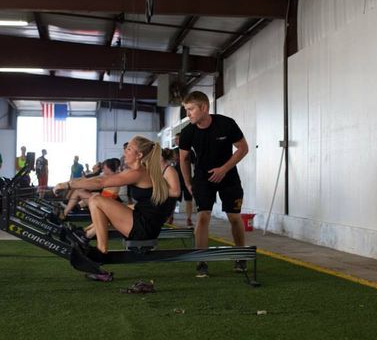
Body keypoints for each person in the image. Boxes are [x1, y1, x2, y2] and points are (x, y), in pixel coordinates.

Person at [53, 136, 180, 281]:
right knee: (98, 202)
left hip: (144, 228)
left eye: (129, 149)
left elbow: (101, 182)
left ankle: (101, 252)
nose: (125, 151)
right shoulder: (138, 171)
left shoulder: (139, 172)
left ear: (139, 155)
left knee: (96, 199)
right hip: (143, 221)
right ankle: (84, 236)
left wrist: (68, 184)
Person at [179, 91, 249, 277]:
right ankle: (201, 261)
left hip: (228, 176)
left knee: (234, 218)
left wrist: (224, 169)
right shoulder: (188, 132)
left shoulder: (226, 124)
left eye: (191, 109)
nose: (188, 114)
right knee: (203, 218)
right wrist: (187, 182)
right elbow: (183, 159)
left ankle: (240, 258)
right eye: (186, 110)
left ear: (203, 107)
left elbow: (243, 148)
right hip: (203, 179)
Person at [173, 134, 194, 227]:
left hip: (188, 179)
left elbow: (194, 165)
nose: (175, 140)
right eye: (175, 139)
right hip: (176, 179)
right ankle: (170, 216)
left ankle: (189, 219)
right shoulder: (174, 151)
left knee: (188, 200)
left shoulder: (190, 152)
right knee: (173, 199)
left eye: (177, 139)